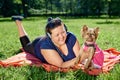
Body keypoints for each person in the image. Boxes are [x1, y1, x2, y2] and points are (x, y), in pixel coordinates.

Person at [12, 16, 80, 68]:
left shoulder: (71, 37)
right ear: (50, 36)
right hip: (38, 44)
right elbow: (61, 65)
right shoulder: (46, 46)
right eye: (57, 35)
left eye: (63, 32)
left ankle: (50, 22)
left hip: (48, 37)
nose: (61, 37)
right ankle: (18, 22)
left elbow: (79, 56)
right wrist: (81, 58)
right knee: (26, 46)